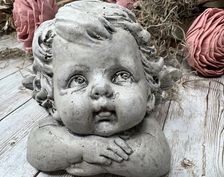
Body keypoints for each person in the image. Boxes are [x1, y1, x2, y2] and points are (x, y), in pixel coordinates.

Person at [27, 1, 174, 176]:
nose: (101, 88)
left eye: (121, 75)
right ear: (53, 104)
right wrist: (84, 148)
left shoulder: (143, 125)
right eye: (78, 80)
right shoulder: (56, 126)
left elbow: (158, 160)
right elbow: (36, 150)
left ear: (149, 93)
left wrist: (101, 163)